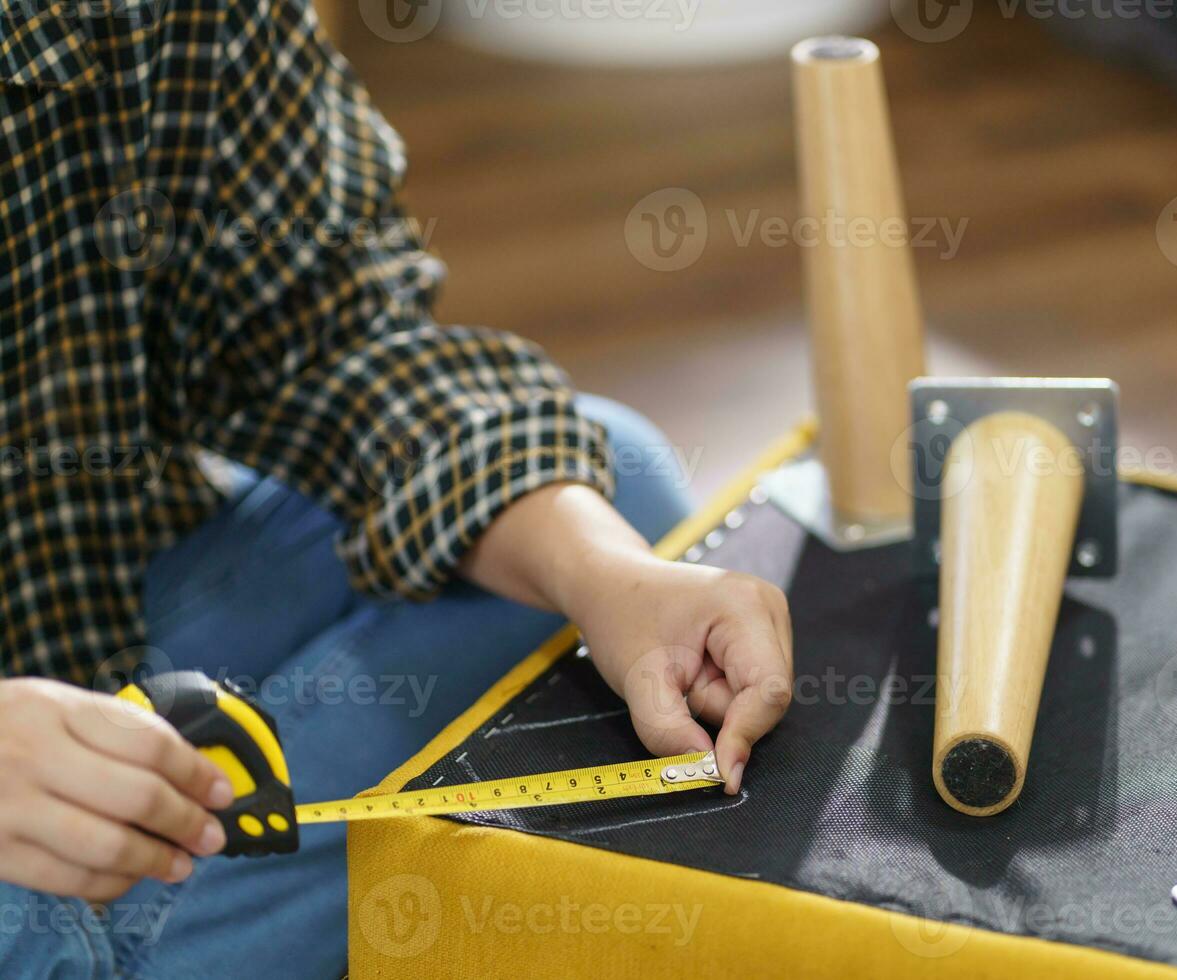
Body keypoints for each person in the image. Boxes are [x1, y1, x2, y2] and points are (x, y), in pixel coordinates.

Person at [0, 0, 794, 975]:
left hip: (100, 609)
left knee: (611, 488)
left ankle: (143, 926)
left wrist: (610, 578)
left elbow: (333, 334)